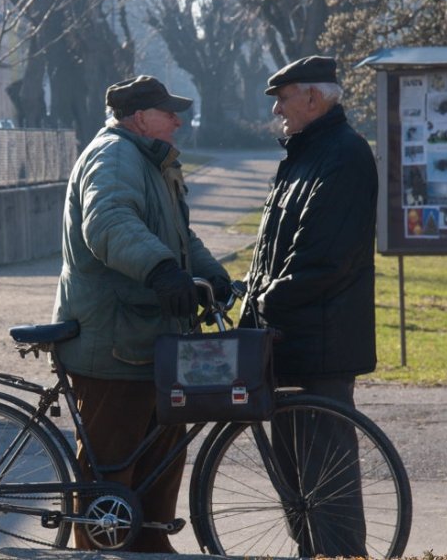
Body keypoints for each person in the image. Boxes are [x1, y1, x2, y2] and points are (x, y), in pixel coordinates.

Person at [52, 74, 231, 552]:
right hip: (114, 342)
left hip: (149, 339)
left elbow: (180, 237)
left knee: (161, 451)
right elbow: (108, 223)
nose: (178, 119)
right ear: (138, 118)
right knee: (110, 469)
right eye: (168, 112)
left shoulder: (150, 161)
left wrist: (215, 278)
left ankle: (151, 543)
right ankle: (101, 550)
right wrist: (161, 272)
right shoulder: (113, 157)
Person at [240, 55, 378, 556]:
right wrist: (251, 296)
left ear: (313, 98)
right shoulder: (303, 155)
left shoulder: (343, 155)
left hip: (322, 344)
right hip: (289, 341)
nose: (277, 108)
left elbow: (324, 258)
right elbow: (273, 250)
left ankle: (339, 556)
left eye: (283, 97)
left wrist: (263, 299)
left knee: (326, 483)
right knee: (297, 483)